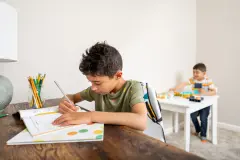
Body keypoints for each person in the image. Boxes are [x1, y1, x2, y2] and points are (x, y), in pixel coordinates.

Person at [53, 42, 147, 131]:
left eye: (97, 83)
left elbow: (142, 121)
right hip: (106, 140)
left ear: (118, 75)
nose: (93, 88)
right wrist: (65, 102)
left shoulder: (133, 88)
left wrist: (91, 116)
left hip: (130, 143)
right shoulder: (96, 91)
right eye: (91, 82)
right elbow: (73, 97)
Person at [170, 63, 217, 142]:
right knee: (192, 115)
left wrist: (204, 93)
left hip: (205, 104)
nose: (195, 74)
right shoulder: (193, 80)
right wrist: (174, 88)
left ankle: (203, 135)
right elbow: (184, 83)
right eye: (193, 72)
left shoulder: (208, 81)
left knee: (203, 118)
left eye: (197, 72)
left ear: (204, 73)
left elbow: (214, 92)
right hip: (195, 102)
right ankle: (198, 130)